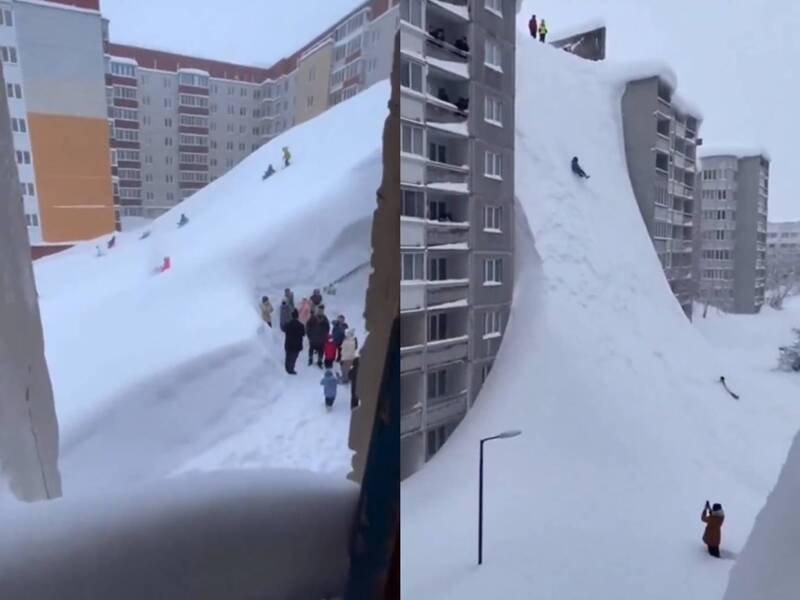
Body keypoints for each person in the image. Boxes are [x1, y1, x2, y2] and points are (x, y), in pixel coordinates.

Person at [283, 309, 305, 375]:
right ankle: (291, 369)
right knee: (294, 358)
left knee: (288, 357)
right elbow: (303, 334)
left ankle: (287, 368)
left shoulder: (288, 324)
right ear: (297, 316)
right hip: (297, 345)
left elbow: (284, 329)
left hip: (288, 344)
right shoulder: (301, 325)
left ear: (291, 316)